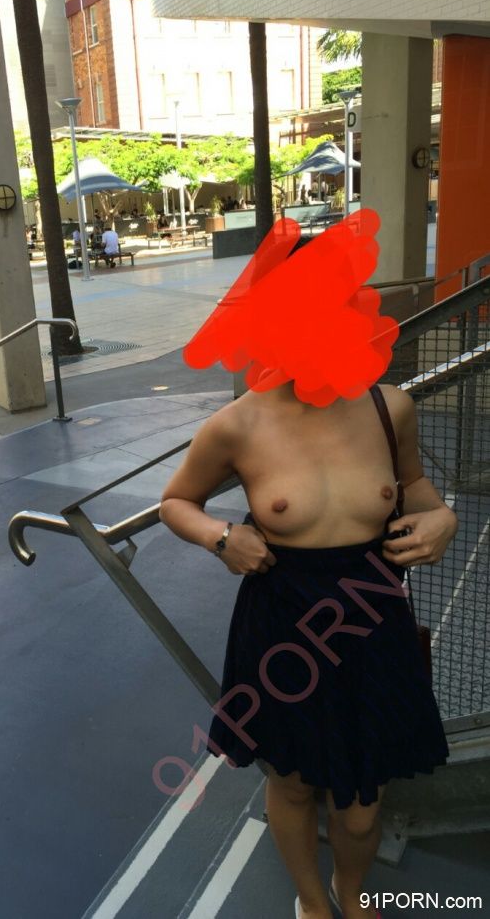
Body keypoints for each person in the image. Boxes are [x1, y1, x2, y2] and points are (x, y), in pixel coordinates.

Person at [159, 216, 457, 919]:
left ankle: (353, 892)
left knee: (363, 801)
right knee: (292, 782)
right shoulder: (238, 424)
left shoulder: (388, 408)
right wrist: (221, 537)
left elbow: (415, 487)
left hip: (374, 615)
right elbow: (176, 502)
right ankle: (313, 902)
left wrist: (441, 518)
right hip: (283, 620)